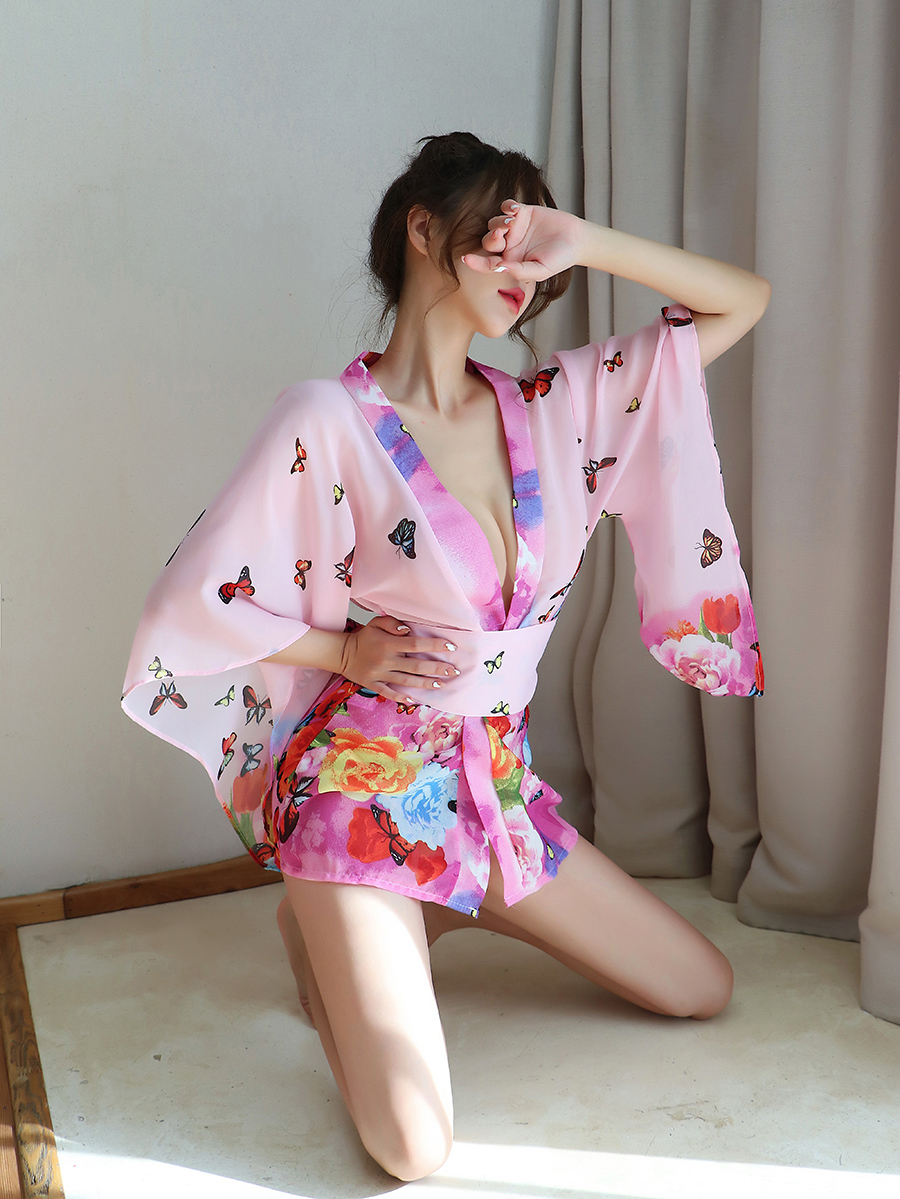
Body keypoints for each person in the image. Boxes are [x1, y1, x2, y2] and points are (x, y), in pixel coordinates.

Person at [121, 131, 770, 1182]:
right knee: (412, 1149)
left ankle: (433, 906)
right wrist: (344, 649)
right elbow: (193, 597)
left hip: (495, 792)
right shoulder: (328, 418)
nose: (529, 268)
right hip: (363, 790)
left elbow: (743, 301)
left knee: (701, 987)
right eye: (504, 234)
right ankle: (323, 921)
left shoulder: (556, 410)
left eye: (541, 249)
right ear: (424, 230)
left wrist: (585, 240)